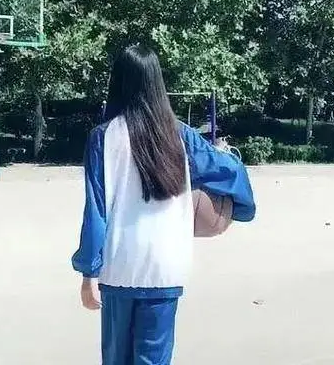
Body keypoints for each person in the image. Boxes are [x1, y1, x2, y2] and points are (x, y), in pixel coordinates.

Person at [72, 45, 255, 365]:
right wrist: (241, 210)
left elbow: (96, 212)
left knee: (116, 359)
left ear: (118, 81)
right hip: (165, 266)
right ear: (157, 82)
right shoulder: (180, 134)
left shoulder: (103, 137)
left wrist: (89, 272)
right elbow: (230, 170)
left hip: (119, 266)